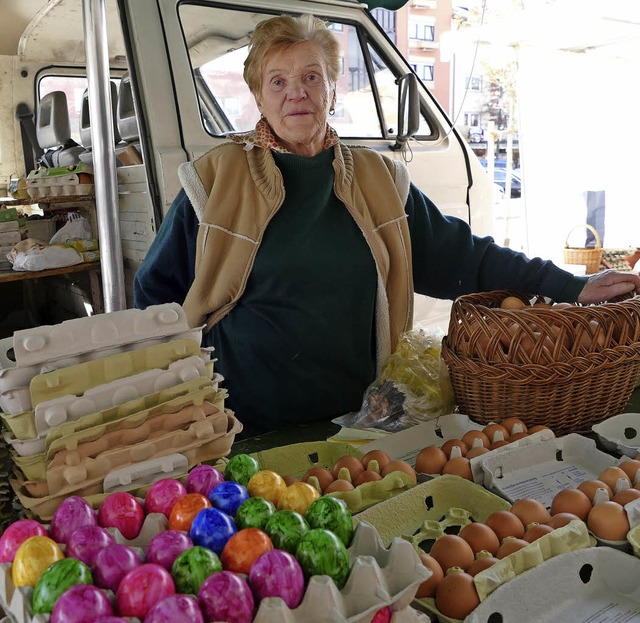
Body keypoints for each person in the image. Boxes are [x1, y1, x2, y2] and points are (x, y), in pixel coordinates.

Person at [134, 14, 640, 438]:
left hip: (356, 426)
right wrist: (179, 403)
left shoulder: (377, 180)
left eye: (312, 76)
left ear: (333, 88)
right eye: (278, 81)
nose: (297, 94)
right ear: (259, 97)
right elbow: (155, 294)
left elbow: (465, 256)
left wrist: (571, 284)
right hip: (245, 429)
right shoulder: (215, 180)